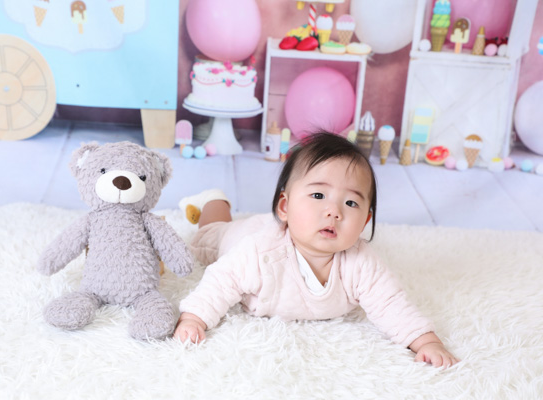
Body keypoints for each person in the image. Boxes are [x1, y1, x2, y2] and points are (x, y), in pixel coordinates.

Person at [174, 132, 459, 368]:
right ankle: (214, 200)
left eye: (351, 203)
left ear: (365, 221)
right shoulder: (257, 252)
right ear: (285, 207)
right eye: (318, 195)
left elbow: (390, 303)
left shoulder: (360, 263)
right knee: (209, 235)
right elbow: (220, 282)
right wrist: (194, 319)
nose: (333, 211)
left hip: (279, 228)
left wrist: (426, 341)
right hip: (242, 235)